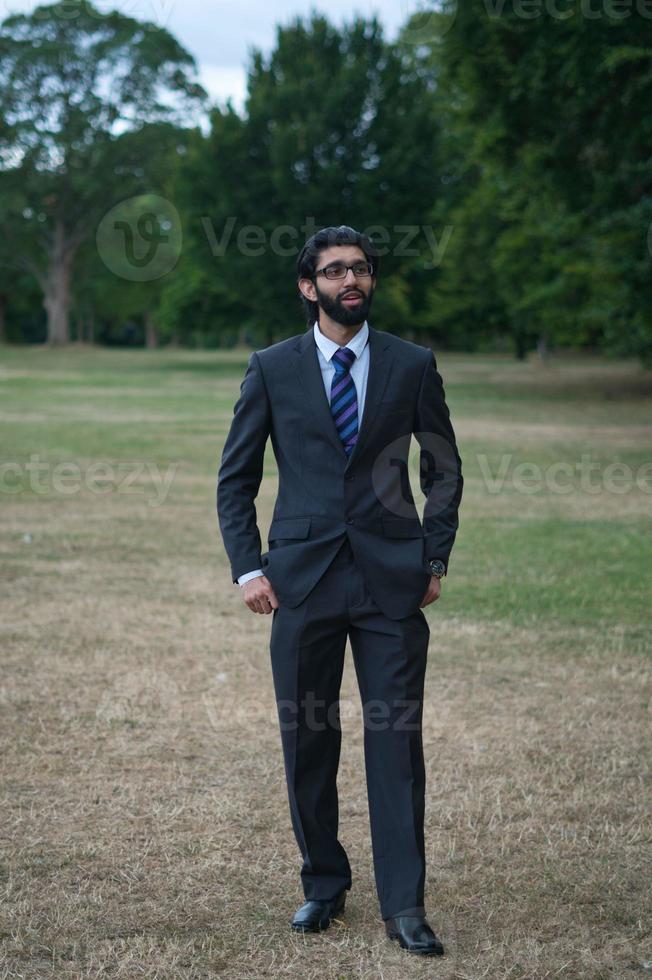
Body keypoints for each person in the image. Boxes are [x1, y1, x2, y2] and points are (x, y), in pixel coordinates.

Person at [217, 224, 463, 957]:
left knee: (396, 743)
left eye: (359, 270)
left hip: (392, 581)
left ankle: (404, 905)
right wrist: (249, 567)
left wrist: (435, 556)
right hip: (302, 580)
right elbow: (236, 478)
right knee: (308, 738)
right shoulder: (272, 368)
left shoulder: (412, 365)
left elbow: (443, 466)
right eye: (333, 271)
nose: (349, 281)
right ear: (308, 285)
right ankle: (323, 883)